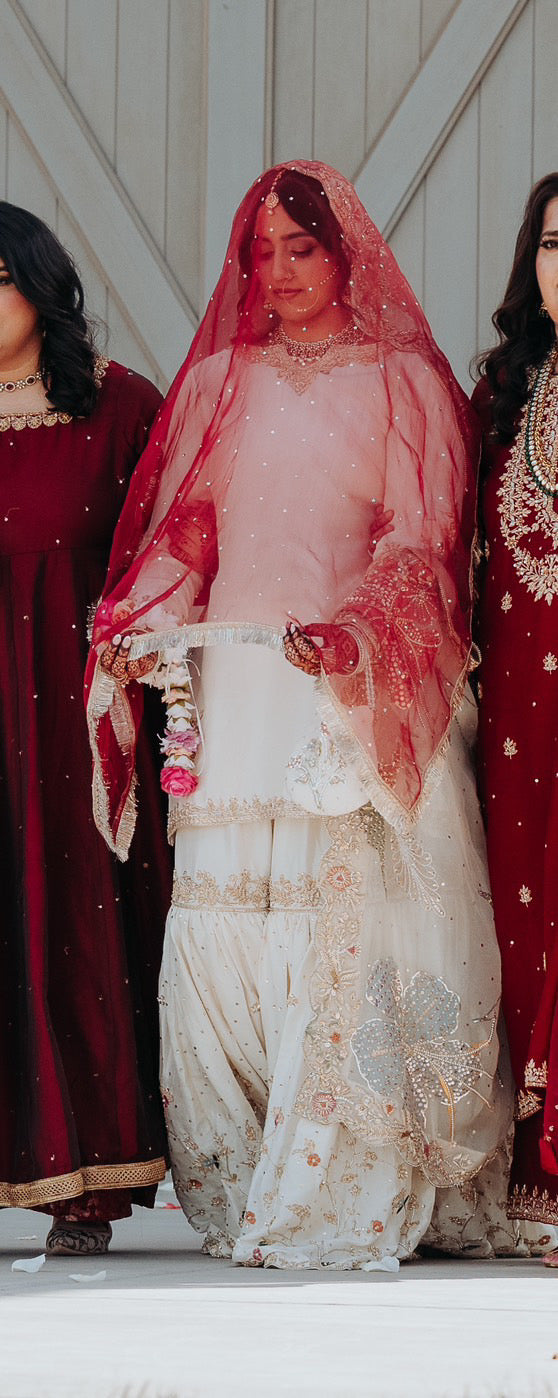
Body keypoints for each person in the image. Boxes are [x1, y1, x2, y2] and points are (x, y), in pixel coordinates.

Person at [90, 161, 538, 1270]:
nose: (281, 272)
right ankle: (250, 1178)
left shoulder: (406, 384)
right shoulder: (216, 384)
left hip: (355, 693)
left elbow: (422, 546)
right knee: (230, 922)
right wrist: (145, 621)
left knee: (350, 923)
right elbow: (188, 534)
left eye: (303, 248)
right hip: (238, 693)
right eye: (262, 253)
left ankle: (347, 1182)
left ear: (348, 255)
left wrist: (357, 638)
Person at [0, 201, 171, 1256]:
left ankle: (87, 1182)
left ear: (38, 284)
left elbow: (173, 553)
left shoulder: (118, 409)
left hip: (73, 724)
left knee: (68, 918)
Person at [474, 173, 558, 1265]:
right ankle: (534, 1173)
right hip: (520, 710)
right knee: (523, 922)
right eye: (552, 244)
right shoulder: (501, 389)